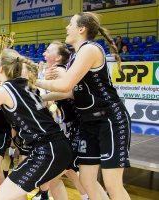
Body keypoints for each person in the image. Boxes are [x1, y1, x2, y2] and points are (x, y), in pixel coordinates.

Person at [36, 12, 131, 200]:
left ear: (81, 29)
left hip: (109, 120)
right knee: (87, 180)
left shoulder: (90, 49)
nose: (66, 28)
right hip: (89, 123)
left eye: (70, 24)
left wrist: (33, 81)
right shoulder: (75, 56)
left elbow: (65, 85)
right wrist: (40, 99)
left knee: (113, 185)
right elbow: (71, 93)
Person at [0, 49, 72, 200]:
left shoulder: (4, 90)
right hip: (56, 146)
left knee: (2, 196)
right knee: (20, 194)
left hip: (48, 149)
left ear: (0, 68)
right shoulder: (27, 85)